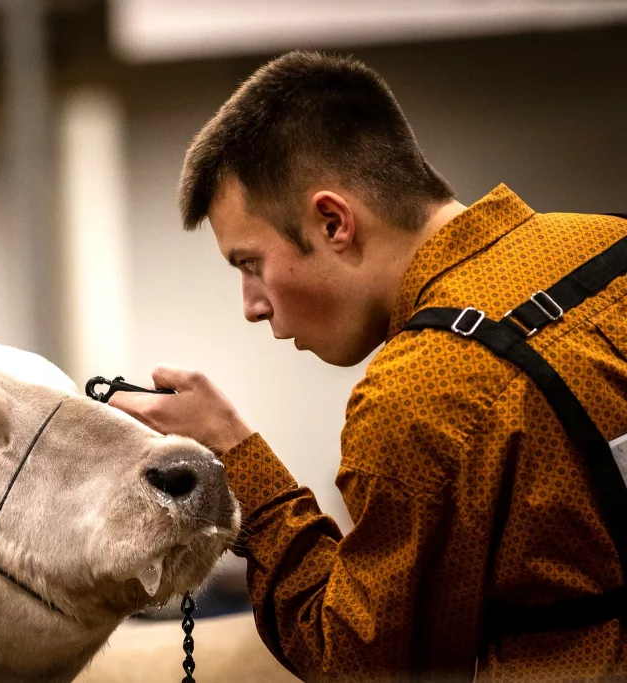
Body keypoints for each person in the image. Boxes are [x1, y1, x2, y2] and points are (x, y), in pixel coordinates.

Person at [107, 50, 627, 682]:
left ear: (334, 222)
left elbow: (357, 662)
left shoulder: (421, 394)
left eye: (250, 264)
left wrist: (237, 456)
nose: (251, 306)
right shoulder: (610, 244)